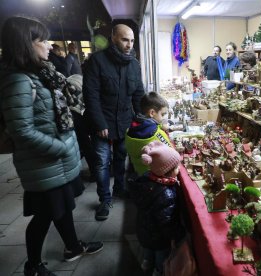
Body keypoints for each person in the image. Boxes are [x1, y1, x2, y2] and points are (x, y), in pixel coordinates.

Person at [0, 16, 103, 276]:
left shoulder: (40, 72)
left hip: (53, 161)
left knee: (62, 207)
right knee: (44, 216)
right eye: (42, 40)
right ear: (25, 44)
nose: (49, 45)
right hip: (43, 162)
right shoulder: (19, 81)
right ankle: (33, 266)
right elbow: (21, 131)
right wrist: (60, 147)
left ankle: (72, 247)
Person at [83, 24, 145, 221]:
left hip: (125, 121)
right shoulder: (97, 61)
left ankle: (119, 189)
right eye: (125, 40)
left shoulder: (134, 64)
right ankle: (104, 199)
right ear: (113, 38)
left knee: (120, 157)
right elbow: (90, 96)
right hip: (103, 122)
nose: (129, 45)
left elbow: (138, 94)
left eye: (132, 40)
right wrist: (100, 123)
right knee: (102, 162)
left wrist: (143, 118)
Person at [129, 141, 185, 275]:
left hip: (144, 231)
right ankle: (159, 271)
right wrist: (177, 236)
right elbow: (166, 222)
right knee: (161, 257)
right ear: (166, 171)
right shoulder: (166, 194)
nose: (179, 169)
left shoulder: (145, 180)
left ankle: (147, 263)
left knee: (148, 250)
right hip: (160, 238)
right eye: (176, 166)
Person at [125, 91, 171, 177]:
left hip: (138, 174)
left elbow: (146, 126)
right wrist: (164, 132)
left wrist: (159, 125)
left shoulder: (130, 130)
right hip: (155, 176)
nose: (163, 118)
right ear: (152, 113)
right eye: (163, 114)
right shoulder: (157, 134)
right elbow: (171, 154)